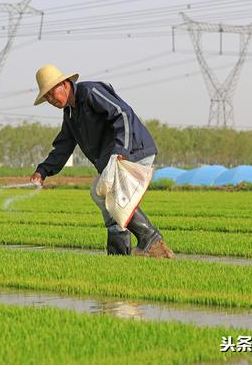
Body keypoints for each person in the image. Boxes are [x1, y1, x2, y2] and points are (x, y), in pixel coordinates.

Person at [29, 64, 174, 259]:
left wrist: (121, 149)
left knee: (109, 196)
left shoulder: (90, 92)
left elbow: (121, 114)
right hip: (113, 158)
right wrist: (43, 171)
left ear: (64, 84)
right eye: (46, 97)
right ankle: (119, 255)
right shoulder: (70, 114)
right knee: (103, 195)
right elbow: (63, 146)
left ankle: (151, 241)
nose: (50, 99)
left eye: (51, 92)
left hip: (133, 150)